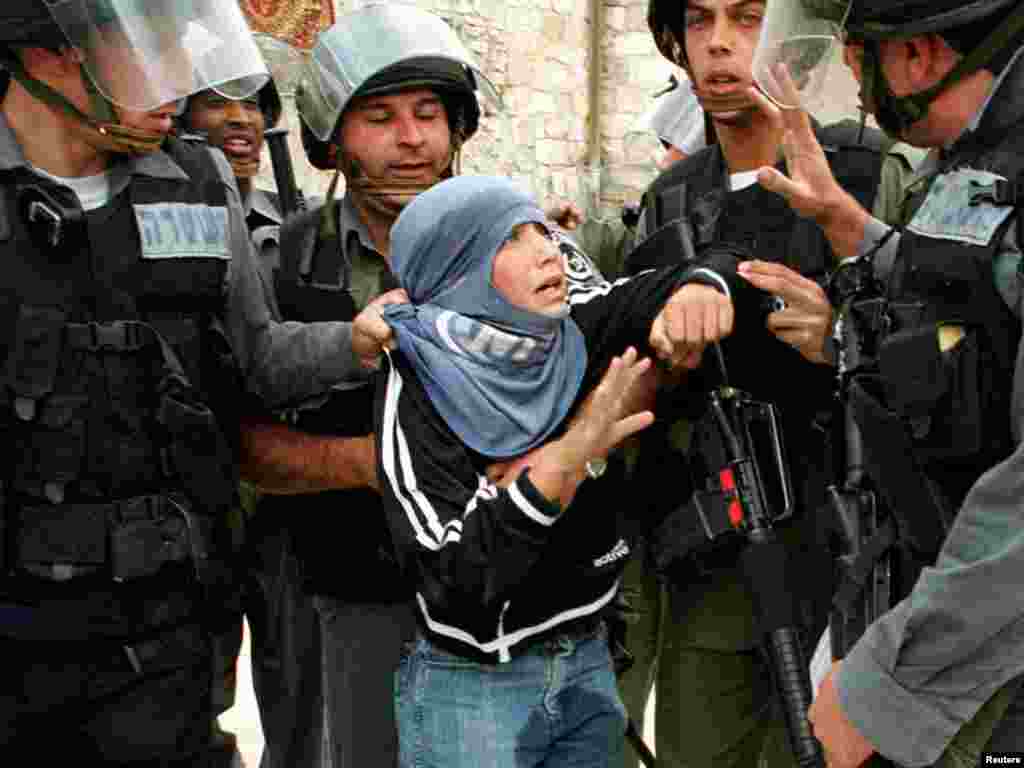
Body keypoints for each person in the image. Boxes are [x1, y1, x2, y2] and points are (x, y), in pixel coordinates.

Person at [0, 2, 395, 764]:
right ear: (48, 53)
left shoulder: (196, 178)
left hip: (170, 631)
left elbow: (255, 361)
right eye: (150, 46)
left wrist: (353, 342)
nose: (180, 76)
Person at [611, 2, 923, 767]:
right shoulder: (673, 197)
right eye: (698, 20)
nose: (719, 44)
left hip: (846, 556)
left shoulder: (867, 169)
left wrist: (843, 340)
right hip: (711, 560)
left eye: (748, 18)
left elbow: (941, 363)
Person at [235, 6, 529, 767]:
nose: (411, 140)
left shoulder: (517, 251)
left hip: (495, 593)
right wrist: (383, 464)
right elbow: (247, 448)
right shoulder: (285, 267)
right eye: (381, 117)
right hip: (340, 593)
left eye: (430, 115)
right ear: (333, 139)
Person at [368, 172, 735, 768]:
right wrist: (562, 465)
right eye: (509, 240)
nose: (546, 250)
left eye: (540, 229)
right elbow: (449, 575)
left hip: (587, 661)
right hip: (475, 689)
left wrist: (699, 288)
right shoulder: (416, 380)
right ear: (454, 272)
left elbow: (683, 275)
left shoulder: (572, 329)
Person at [744, 0, 1024, 765]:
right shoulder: (984, 150)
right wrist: (851, 229)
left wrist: (886, 685)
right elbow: (975, 286)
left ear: (922, 55)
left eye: (856, 55)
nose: (853, 84)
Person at [175, 77, 286, 768]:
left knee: (292, 674)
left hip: (282, 489)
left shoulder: (295, 224)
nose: (240, 120)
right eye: (217, 102)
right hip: (201, 481)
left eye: (252, 105)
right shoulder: (165, 212)